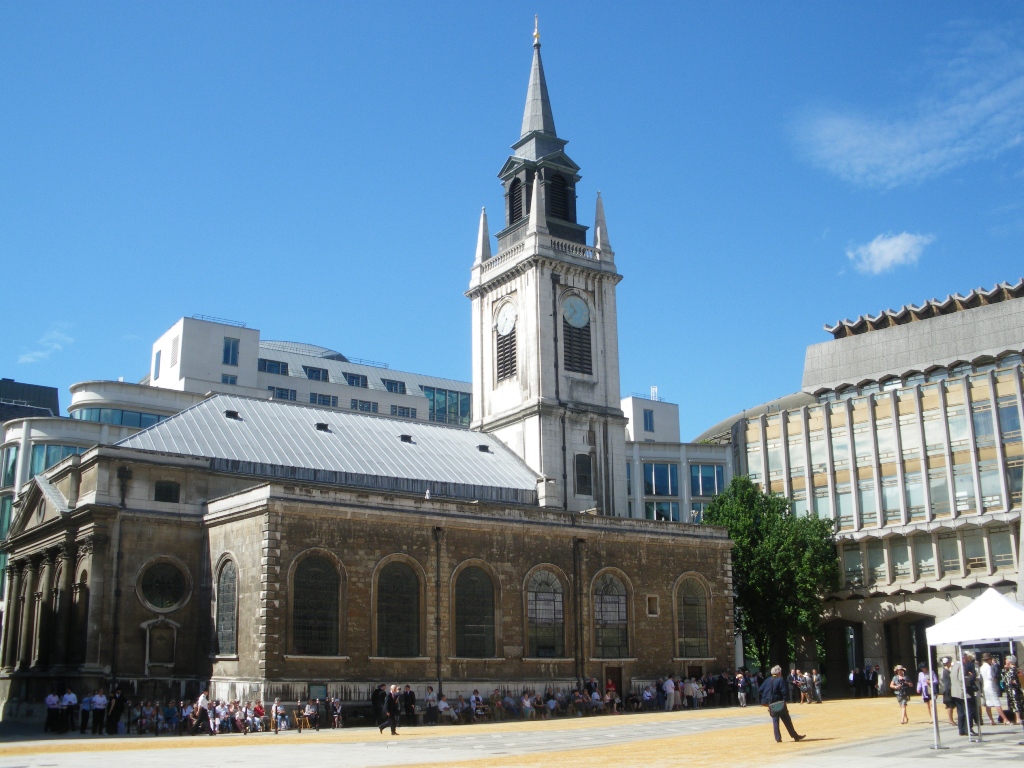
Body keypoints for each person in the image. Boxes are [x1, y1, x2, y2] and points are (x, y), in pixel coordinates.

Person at [759, 665, 805, 743]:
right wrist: (785, 700)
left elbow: (760, 690)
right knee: (787, 720)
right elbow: (784, 691)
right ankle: (795, 736)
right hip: (780, 702)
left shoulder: (767, 680)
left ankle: (778, 738)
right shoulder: (780, 679)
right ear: (779, 673)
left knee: (775, 722)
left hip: (771, 704)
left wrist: (767, 698)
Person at [1001, 655, 1024, 743]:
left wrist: (1014, 682)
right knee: (1013, 704)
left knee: (1016, 703)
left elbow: (1018, 680)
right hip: (1010, 690)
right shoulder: (1008, 669)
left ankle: (1018, 718)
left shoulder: (1014, 669)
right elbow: (1004, 679)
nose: (1005, 660)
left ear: (1010, 661)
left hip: (1014, 690)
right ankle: (1016, 718)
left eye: (1006, 659)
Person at [980, 653, 1003, 726]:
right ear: (989, 659)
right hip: (990, 685)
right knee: (997, 703)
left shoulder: (982, 667)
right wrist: (994, 678)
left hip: (985, 685)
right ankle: (1005, 719)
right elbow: (990, 677)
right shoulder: (988, 667)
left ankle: (991, 719)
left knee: (988, 703)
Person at [939, 657, 956, 726]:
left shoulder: (947, 670)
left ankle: (951, 719)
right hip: (948, 690)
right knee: (950, 706)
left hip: (950, 689)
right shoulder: (946, 671)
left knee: (951, 706)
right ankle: (950, 720)